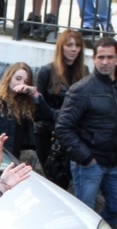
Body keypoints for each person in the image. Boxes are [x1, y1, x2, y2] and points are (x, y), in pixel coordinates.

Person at [56, 37, 117, 229]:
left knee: (115, 207)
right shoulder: (82, 89)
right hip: (90, 164)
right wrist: (87, 159)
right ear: (94, 58)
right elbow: (63, 128)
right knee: (84, 215)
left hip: (113, 163)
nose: (105, 62)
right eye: (101, 57)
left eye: (110, 57)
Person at [35, 28, 87, 186]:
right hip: (48, 132)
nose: (73, 49)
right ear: (61, 47)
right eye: (69, 45)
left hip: (72, 134)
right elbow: (37, 107)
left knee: (66, 179)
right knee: (49, 178)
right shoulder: (46, 71)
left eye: (77, 46)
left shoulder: (84, 72)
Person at [0, 62, 53, 163]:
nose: (21, 84)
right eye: (18, 79)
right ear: (9, 78)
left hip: (19, 160)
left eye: (26, 81)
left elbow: (47, 115)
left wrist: (34, 94)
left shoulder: (26, 105)